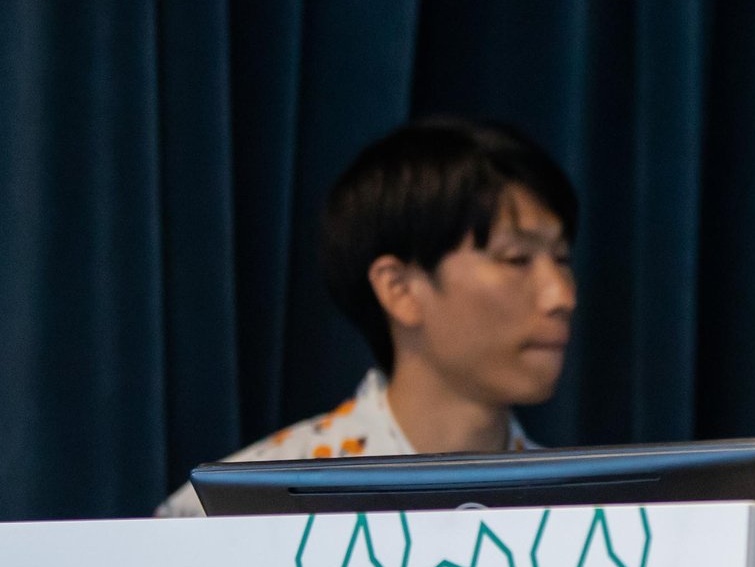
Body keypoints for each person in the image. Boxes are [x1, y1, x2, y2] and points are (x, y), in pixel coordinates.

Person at [158, 117, 577, 515]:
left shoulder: (584, 509)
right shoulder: (237, 509)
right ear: (399, 289)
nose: (561, 295)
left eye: (561, 258)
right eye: (516, 258)